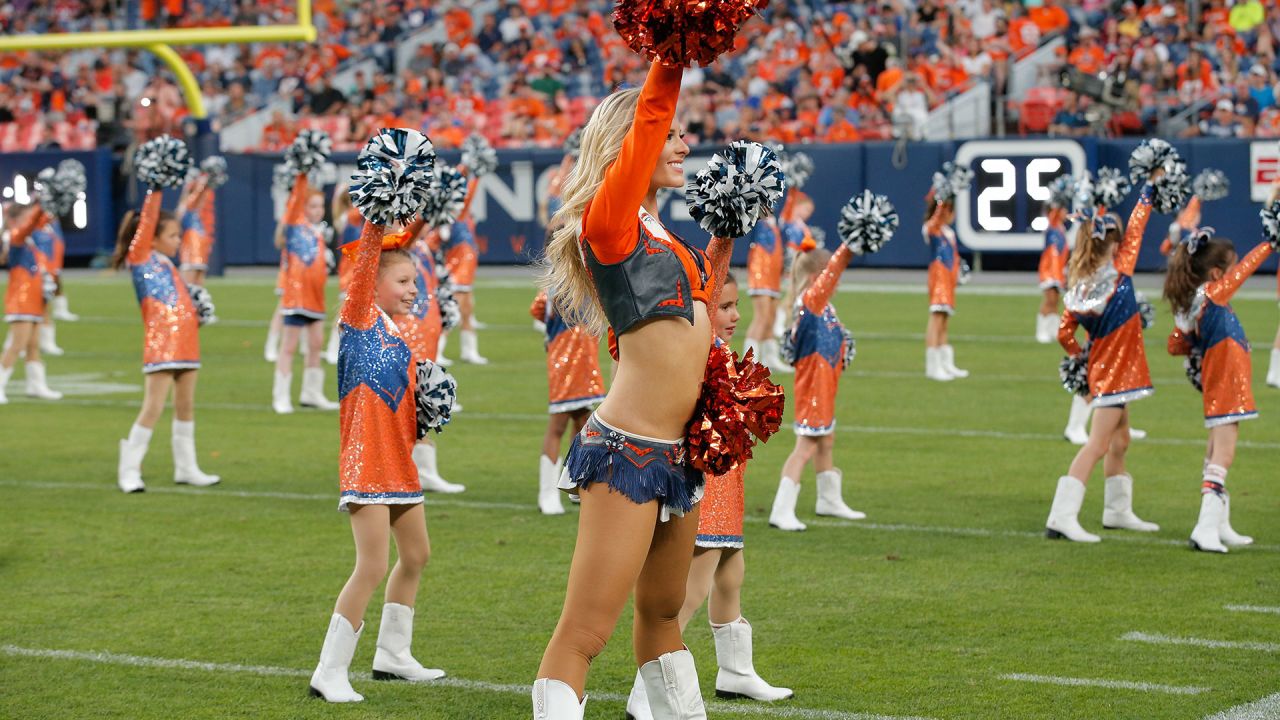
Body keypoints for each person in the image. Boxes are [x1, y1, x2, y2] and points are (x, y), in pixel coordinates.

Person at [533, 59, 733, 718]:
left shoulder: (667, 237)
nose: (682, 144)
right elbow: (649, 117)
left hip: (679, 458)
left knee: (664, 615)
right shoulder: (609, 223)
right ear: (631, 146)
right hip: (628, 451)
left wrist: (726, 233)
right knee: (587, 633)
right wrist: (672, 56)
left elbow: (697, 313)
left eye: (684, 134)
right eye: (669, 134)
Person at [626, 273, 791, 719]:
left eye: (737, 306)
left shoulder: (718, 349)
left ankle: (735, 672)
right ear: (702, 309)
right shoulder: (695, 347)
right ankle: (647, 691)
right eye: (725, 307)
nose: (736, 315)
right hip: (707, 480)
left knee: (731, 573)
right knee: (690, 593)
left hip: (729, 477)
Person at [308, 214, 446, 704]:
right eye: (404, 281)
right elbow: (366, 259)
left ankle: (392, 653)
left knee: (416, 555)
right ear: (373, 283)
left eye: (416, 281)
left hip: (398, 461)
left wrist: (426, 404)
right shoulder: (359, 317)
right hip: (367, 462)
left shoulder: (397, 334)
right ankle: (329, 669)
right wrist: (377, 216)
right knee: (370, 565)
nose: (414, 290)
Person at [1045, 172, 1163, 543]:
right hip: (1117, 375)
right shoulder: (1120, 274)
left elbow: (1064, 333)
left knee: (1120, 440)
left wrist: (1082, 357)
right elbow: (1140, 225)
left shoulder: (1079, 285)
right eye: (1121, 242)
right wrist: (1148, 189)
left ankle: (1117, 511)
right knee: (1097, 444)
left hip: (1106, 370)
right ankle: (1062, 516)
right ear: (1114, 247)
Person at [1165, 222, 1272, 553]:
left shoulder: (1194, 300)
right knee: (1223, 454)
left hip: (1220, 377)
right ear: (1215, 273)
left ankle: (1219, 524)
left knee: (1215, 448)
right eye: (1229, 268)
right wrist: (1269, 243)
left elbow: (1175, 344)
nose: (1234, 274)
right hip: (1226, 379)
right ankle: (1205, 527)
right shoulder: (1212, 294)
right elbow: (1243, 273)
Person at [111, 190, 219, 492]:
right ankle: (129, 469)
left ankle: (186, 467)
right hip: (161, 346)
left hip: (187, 342)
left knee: (186, 406)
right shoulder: (141, 259)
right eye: (172, 235)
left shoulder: (169, 265)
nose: (177, 241)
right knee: (153, 407)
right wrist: (156, 188)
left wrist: (197, 309)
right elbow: (147, 221)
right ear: (152, 238)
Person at [768, 243, 865, 531]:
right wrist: (847, 250)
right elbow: (832, 275)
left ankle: (829, 499)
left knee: (826, 441)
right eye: (830, 280)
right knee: (806, 446)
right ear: (816, 279)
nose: (835, 285)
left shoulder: (821, 306)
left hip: (826, 381)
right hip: (814, 387)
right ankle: (781, 509)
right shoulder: (811, 303)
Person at [530, 289, 604, 515]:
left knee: (583, 423)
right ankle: (547, 494)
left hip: (587, 358)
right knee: (558, 425)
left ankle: (575, 483)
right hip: (565, 359)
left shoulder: (588, 278)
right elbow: (538, 308)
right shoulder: (560, 281)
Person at [272, 173, 339, 414]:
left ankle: (311, 393)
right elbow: (293, 203)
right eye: (313, 205)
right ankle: (280, 396)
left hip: (316, 298)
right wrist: (302, 174)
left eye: (321, 206)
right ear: (301, 206)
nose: (318, 210)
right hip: (296, 298)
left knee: (315, 345)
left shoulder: (318, 231)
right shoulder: (293, 226)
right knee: (288, 347)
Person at [0, 205, 62, 404]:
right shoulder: (16, 238)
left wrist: (49, 204)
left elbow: (43, 221)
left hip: (35, 300)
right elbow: (31, 225)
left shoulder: (30, 241)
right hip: (21, 301)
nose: (31, 222)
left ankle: (36, 385)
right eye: (26, 218)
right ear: (16, 220)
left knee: (33, 346)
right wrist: (41, 204)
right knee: (16, 346)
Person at [438, 168, 487, 364]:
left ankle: (469, 351)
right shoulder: (455, 214)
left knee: (466, 310)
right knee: (453, 311)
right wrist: (475, 175)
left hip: (465, 269)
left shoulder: (461, 215)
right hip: (457, 268)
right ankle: (436, 351)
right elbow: (468, 196)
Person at [923, 189, 967, 381]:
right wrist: (943, 200)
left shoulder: (949, 233)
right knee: (936, 318)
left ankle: (945, 362)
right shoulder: (931, 229)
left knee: (945, 320)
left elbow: (954, 256)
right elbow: (937, 218)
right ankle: (932, 365)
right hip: (938, 276)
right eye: (950, 210)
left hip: (948, 277)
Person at [743, 205, 786, 372]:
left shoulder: (774, 222)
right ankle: (750, 361)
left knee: (771, 318)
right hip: (760, 274)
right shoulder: (756, 222)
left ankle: (770, 359)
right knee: (761, 317)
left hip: (773, 276)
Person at [1035, 189, 1071, 343]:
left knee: (1055, 300)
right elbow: (1052, 213)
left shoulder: (1061, 229)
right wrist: (1056, 200)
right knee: (1049, 300)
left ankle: (1053, 330)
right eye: (1063, 210)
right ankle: (1041, 331)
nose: (1066, 213)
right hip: (1049, 270)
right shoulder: (1052, 227)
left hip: (1058, 271)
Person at [177, 173, 214, 287]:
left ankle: (196, 302)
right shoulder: (188, 204)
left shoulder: (203, 199)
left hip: (200, 237)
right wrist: (202, 183)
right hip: (192, 239)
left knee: (198, 272)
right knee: (190, 272)